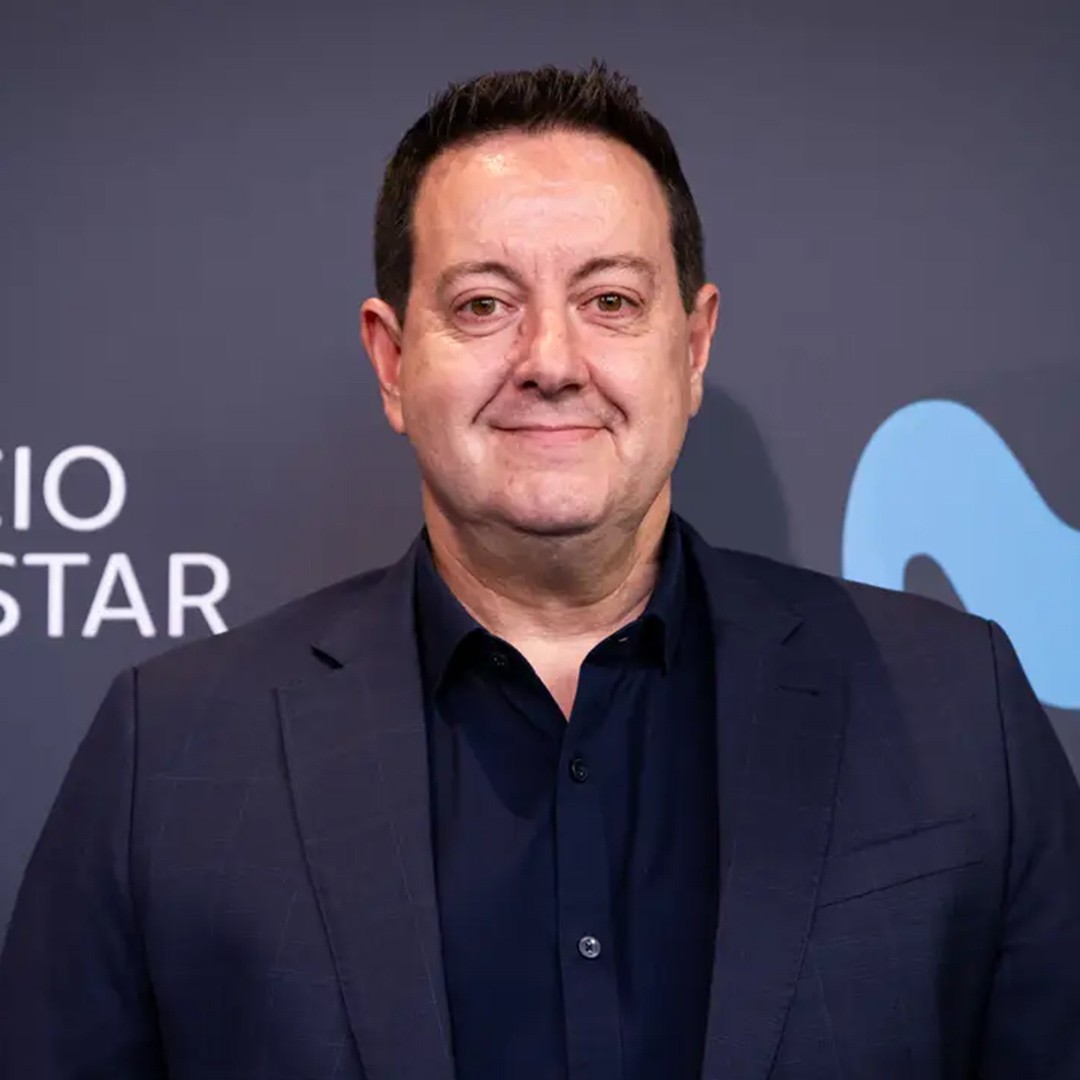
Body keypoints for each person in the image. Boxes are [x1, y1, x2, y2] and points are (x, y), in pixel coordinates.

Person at [1, 60, 1079, 1080]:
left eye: (611, 301)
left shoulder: (957, 709)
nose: (551, 362)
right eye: (484, 305)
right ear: (392, 359)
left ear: (693, 347)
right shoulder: (170, 754)